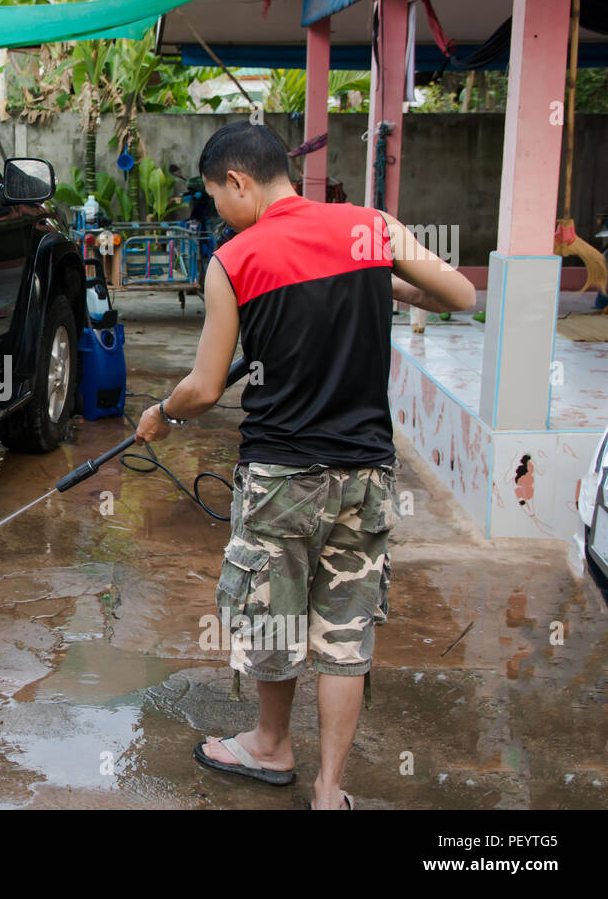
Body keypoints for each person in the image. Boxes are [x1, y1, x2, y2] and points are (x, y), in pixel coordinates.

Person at [134, 121, 475, 810]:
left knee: (272, 617)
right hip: (366, 475)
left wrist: (162, 414)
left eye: (214, 199)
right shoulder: (369, 229)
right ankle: (328, 790)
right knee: (345, 635)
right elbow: (460, 296)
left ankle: (270, 745)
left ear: (238, 182)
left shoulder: (235, 260)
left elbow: (203, 388)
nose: (217, 216)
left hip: (282, 476)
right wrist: (392, 287)